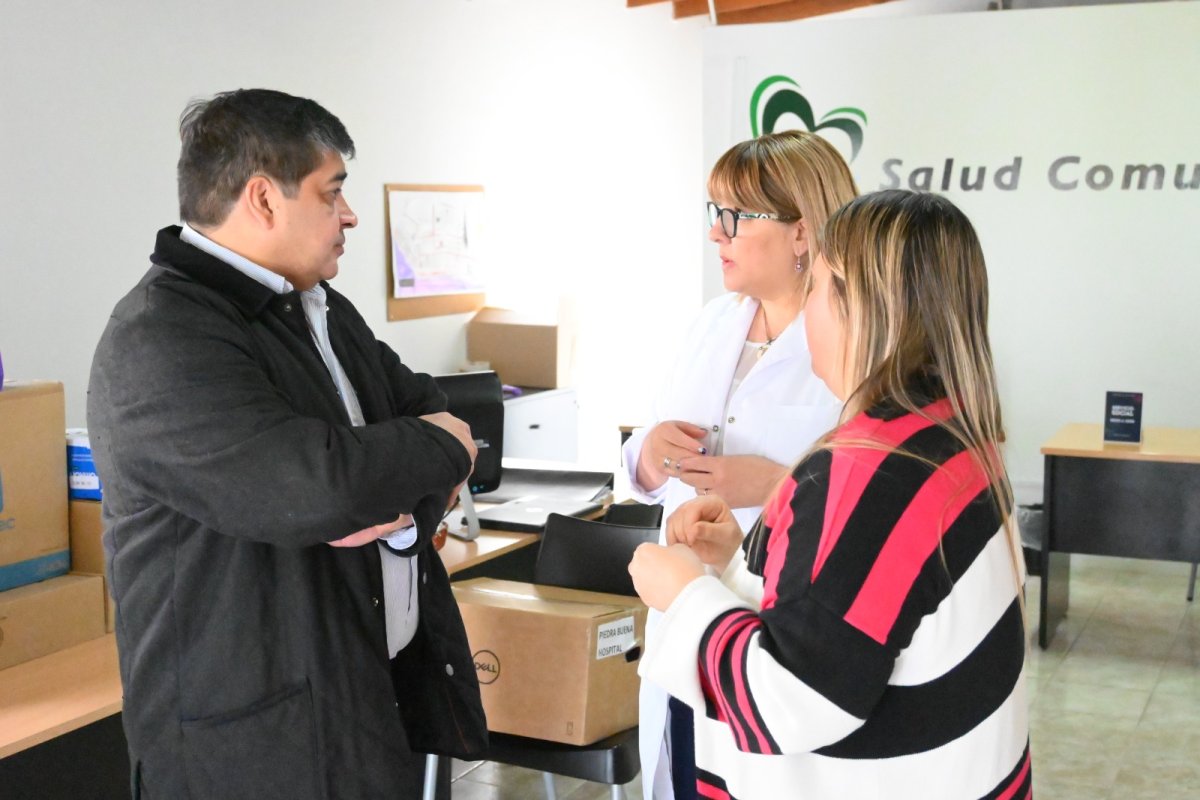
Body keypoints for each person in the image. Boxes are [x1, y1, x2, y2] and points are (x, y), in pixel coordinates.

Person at [87, 89, 487, 798]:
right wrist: (410, 463)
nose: (350, 215)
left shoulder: (321, 309)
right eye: (332, 193)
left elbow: (429, 412)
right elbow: (316, 489)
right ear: (265, 199)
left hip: (365, 705)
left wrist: (395, 510)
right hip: (253, 753)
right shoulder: (159, 337)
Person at [629, 189, 1031, 799]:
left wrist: (682, 595)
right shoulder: (945, 435)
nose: (804, 309)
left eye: (816, 285)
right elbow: (855, 610)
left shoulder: (871, 474)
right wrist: (745, 564)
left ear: (863, 309)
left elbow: (788, 701)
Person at [621, 130, 857, 799]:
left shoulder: (854, 341)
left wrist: (777, 486)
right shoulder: (712, 324)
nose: (715, 234)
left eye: (735, 217)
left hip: (777, 628)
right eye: (714, 213)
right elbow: (645, 457)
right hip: (682, 614)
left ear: (802, 231)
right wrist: (650, 453)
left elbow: (872, 498)